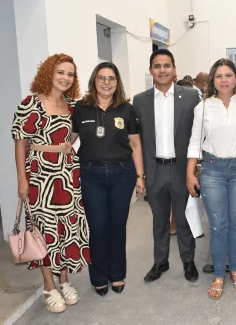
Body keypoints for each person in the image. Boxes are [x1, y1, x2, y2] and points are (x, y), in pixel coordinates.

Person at [12, 53, 90, 314]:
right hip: (39, 174)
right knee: (43, 231)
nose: (65, 78)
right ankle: (48, 286)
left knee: (66, 229)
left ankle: (65, 281)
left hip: (67, 174)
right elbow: (20, 143)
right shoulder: (30, 104)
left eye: (70, 74)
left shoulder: (72, 106)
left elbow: (75, 133)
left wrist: (66, 146)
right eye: (61, 72)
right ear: (49, 73)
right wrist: (22, 181)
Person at [186, 58, 236, 300]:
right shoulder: (203, 107)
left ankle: (235, 269)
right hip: (212, 170)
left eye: (228, 75)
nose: (224, 80)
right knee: (218, 226)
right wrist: (190, 173)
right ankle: (219, 274)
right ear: (212, 80)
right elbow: (195, 141)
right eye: (219, 76)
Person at [71, 62, 145, 296]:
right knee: (98, 226)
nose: (106, 82)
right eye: (102, 78)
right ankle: (99, 275)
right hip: (91, 174)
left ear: (117, 82)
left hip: (122, 173)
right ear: (94, 80)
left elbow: (135, 144)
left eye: (111, 78)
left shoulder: (126, 109)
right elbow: (69, 140)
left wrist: (140, 176)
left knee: (117, 226)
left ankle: (117, 274)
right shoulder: (81, 108)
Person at [132, 49, 200, 283]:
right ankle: (160, 262)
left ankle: (188, 261)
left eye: (167, 65)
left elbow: (198, 133)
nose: (162, 70)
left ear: (174, 69)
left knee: (184, 218)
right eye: (157, 66)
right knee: (159, 220)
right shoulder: (140, 101)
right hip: (155, 170)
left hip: (181, 169)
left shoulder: (191, 97)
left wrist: (196, 168)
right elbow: (137, 139)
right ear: (151, 70)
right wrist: (141, 175)